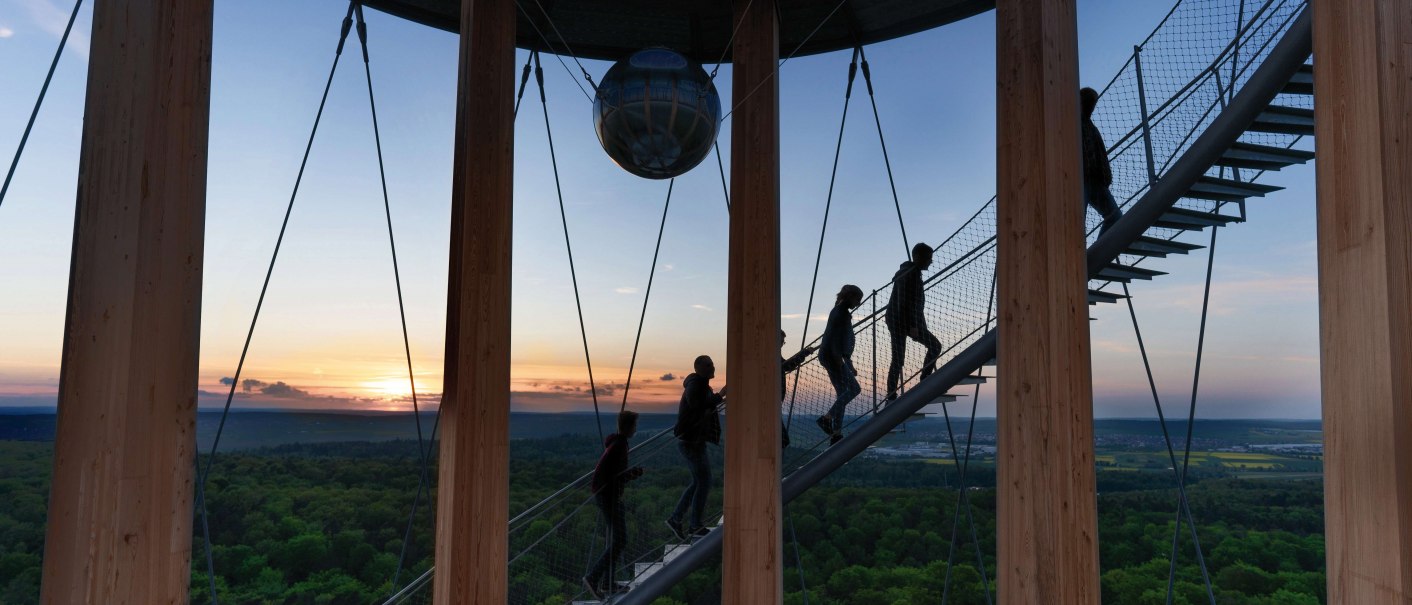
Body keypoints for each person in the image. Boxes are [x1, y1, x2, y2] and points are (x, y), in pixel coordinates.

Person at [583, 411, 645, 599]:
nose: (636, 429)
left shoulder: (616, 443)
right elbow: (616, 476)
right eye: (634, 425)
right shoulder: (619, 446)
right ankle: (593, 578)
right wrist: (633, 474)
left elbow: (612, 473)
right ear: (628, 427)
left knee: (617, 539)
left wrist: (629, 474)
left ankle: (608, 583)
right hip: (608, 496)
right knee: (620, 539)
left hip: (605, 494)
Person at [667, 355, 723, 541]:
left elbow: (701, 406)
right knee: (704, 481)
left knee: (699, 481)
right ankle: (694, 525)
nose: (712, 367)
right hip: (691, 442)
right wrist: (720, 396)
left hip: (693, 440)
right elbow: (696, 405)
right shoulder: (696, 385)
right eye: (708, 364)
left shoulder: (701, 385)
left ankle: (677, 519)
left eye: (712, 364)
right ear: (699, 368)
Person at [885, 243, 942, 401]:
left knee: (897, 358)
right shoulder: (910, 274)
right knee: (935, 346)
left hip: (897, 320)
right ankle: (924, 379)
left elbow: (909, 302)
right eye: (929, 258)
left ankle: (891, 394)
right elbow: (905, 302)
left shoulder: (909, 272)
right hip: (903, 322)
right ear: (918, 257)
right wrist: (913, 326)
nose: (931, 261)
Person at [816, 285, 864, 444]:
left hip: (829, 356)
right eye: (858, 299)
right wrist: (839, 358)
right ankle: (827, 418)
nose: (858, 303)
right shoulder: (841, 313)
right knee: (855, 389)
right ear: (850, 296)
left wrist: (848, 363)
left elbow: (838, 337)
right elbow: (835, 337)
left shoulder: (837, 310)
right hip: (832, 356)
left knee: (843, 392)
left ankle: (836, 433)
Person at [1081, 87, 1122, 234]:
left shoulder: (1091, 127)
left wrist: (1106, 178)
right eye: (1090, 102)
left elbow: (1101, 155)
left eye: (1093, 102)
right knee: (1078, 221)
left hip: (1096, 181)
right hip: (1081, 179)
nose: (1092, 106)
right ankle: (1081, 255)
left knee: (1116, 217)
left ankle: (1096, 253)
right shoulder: (1074, 123)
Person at [779, 330, 817, 449]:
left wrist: (804, 353)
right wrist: (804, 353)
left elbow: (787, 365)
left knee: (783, 440)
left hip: (772, 401)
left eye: (782, 342)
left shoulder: (770, 354)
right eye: (780, 341)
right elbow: (787, 366)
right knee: (783, 440)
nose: (781, 344)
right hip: (771, 401)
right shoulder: (770, 354)